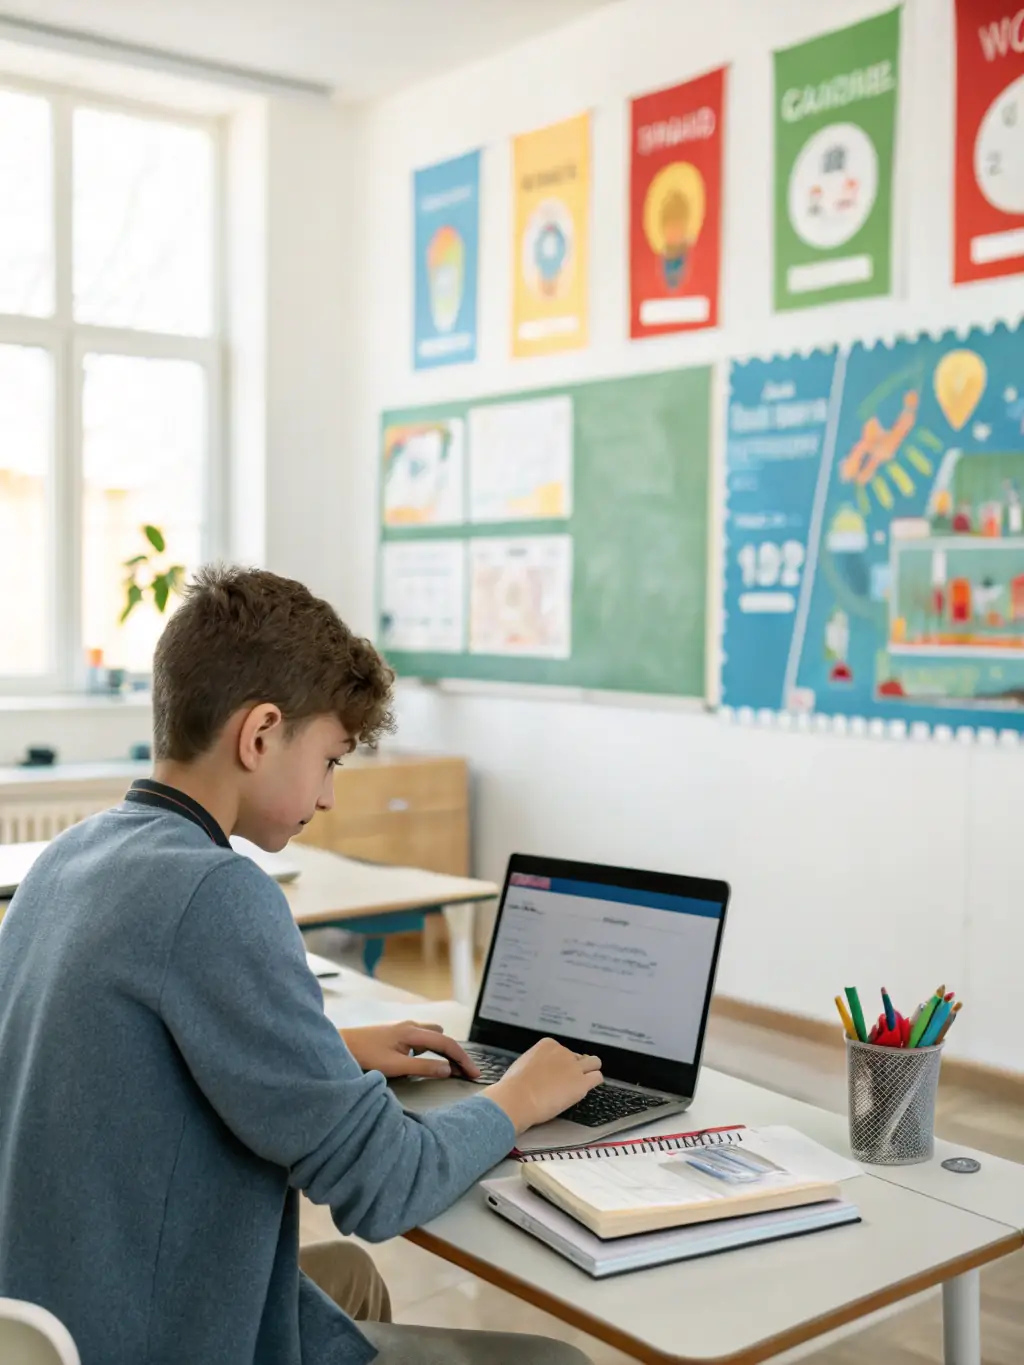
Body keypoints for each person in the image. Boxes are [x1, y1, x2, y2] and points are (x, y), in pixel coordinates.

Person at [0, 565, 602, 1365]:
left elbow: (125, 1062)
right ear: (259, 734)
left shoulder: (71, 853)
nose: (325, 797)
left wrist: (336, 1052)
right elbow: (384, 1184)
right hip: (150, 1336)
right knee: (555, 1361)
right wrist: (520, 1097)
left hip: (51, 1317)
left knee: (347, 1279)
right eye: (329, 760)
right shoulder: (218, 890)